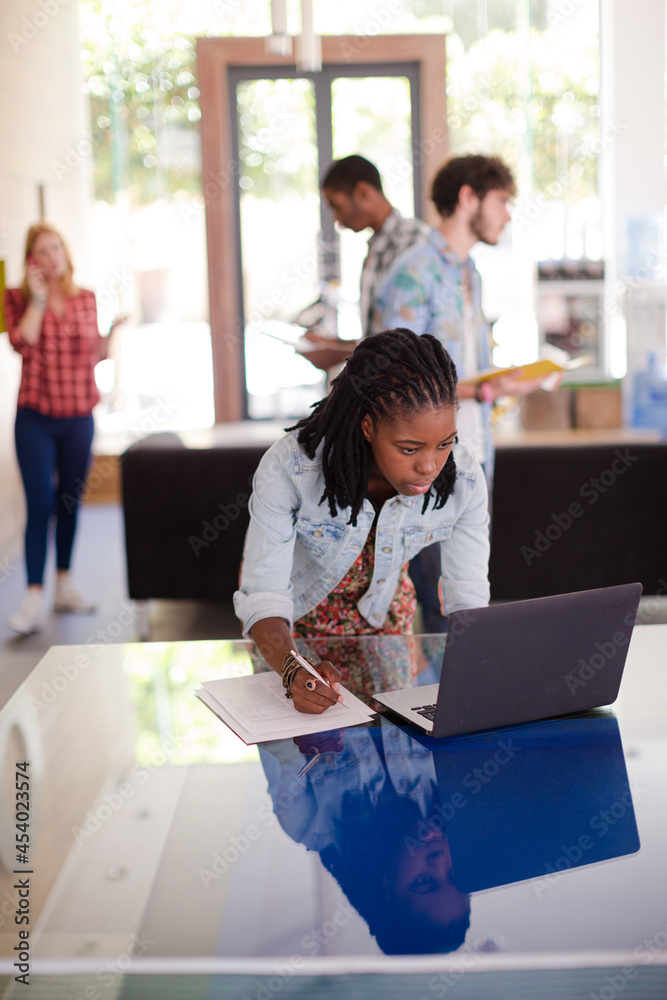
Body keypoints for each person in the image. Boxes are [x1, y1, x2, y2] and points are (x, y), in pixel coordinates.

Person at [234, 328, 490, 714]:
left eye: (444, 443)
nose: (430, 466)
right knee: (305, 748)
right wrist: (292, 670)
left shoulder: (464, 479)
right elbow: (263, 594)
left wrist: (481, 677)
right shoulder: (291, 468)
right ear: (368, 426)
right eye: (409, 449)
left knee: (392, 747)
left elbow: (468, 597)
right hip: (290, 635)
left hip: (387, 630)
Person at [375, 155, 549, 631]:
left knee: (468, 595)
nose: (507, 215)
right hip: (427, 461)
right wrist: (484, 388)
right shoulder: (413, 271)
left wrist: (502, 383)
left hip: (473, 452)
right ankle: (436, 682)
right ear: (469, 197)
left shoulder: (470, 271)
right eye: (502, 200)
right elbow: (393, 375)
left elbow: (463, 371)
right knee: (438, 606)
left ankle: (464, 678)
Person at [4, 222, 124, 635]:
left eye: (56, 248)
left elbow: (94, 355)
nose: (52, 256)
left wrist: (113, 332)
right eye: (42, 251)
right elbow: (22, 343)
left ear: (65, 252)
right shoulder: (16, 297)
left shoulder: (85, 298)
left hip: (78, 418)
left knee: (69, 502)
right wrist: (38, 298)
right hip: (35, 418)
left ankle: (64, 583)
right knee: (40, 505)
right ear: (31, 261)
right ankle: (33, 596)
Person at [258, 723, 471, 954]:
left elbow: (269, 724)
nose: (439, 860)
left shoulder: (307, 822)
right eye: (454, 874)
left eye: (423, 880)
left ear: (385, 885)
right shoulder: (458, 800)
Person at [300, 154, 430, 371]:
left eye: (337, 206)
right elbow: (381, 336)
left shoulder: (414, 243)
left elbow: (405, 344)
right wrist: (335, 344)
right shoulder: (378, 246)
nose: (336, 219)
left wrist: (338, 354)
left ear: (363, 192)